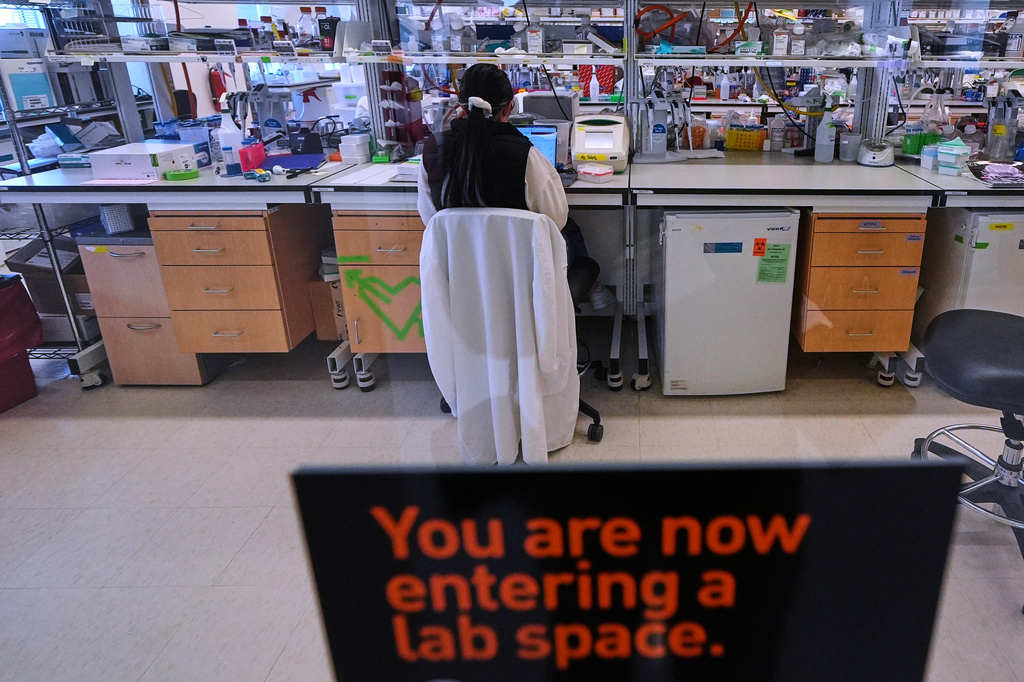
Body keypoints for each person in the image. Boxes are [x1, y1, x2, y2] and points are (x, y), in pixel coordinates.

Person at [416, 63, 596, 281]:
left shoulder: (434, 150)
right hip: (521, 279)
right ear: (508, 108)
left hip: (459, 277)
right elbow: (555, 219)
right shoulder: (524, 154)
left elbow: (431, 219)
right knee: (574, 238)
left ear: (461, 107)